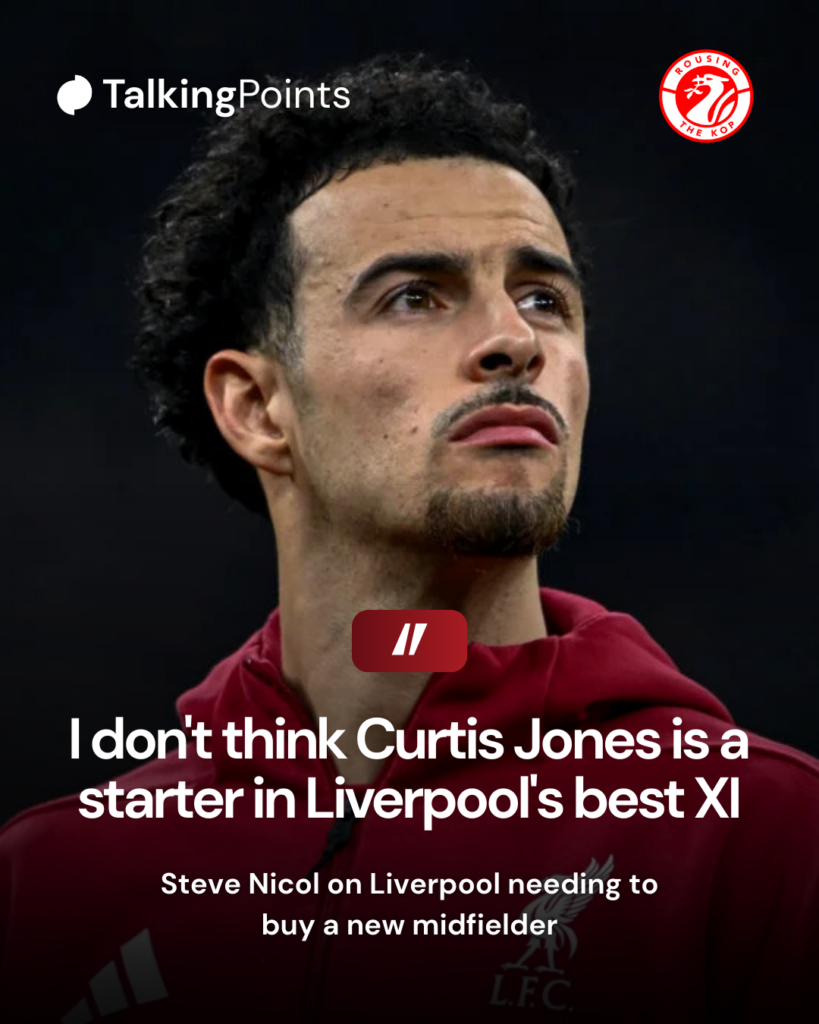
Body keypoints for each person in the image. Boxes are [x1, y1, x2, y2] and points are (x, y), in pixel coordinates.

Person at [1, 56, 817, 1023]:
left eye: (544, 298)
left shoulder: (764, 837)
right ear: (258, 407)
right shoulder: (44, 888)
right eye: (414, 296)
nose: (515, 340)